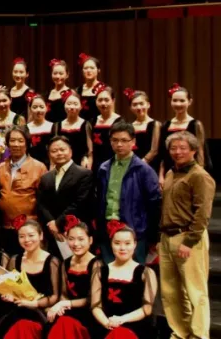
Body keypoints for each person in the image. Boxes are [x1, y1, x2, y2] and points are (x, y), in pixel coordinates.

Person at [158, 131, 214, 339]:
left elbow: (202, 214)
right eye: (173, 148)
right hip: (167, 237)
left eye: (183, 148)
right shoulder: (171, 173)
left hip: (188, 238)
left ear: (193, 150)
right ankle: (181, 333)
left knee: (195, 291)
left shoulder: (200, 176)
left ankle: (199, 335)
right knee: (170, 291)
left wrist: (189, 241)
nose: (178, 152)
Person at [97, 122, 160, 263]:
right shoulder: (104, 168)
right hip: (107, 230)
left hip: (134, 231)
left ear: (133, 142)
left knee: (134, 273)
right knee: (109, 271)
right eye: (115, 140)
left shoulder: (144, 170)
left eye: (124, 140)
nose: (119, 144)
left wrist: (153, 237)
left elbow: (154, 205)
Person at [0, 220, 62, 339]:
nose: (26, 240)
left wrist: (33, 304)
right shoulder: (15, 260)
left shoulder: (52, 262)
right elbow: (9, 288)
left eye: (31, 235)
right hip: (18, 310)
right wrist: (8, 296)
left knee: (24, 327)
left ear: (41, 236)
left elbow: (54, 296)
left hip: (40, 311)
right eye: (22, 236)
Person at [92, 224, 158, 339]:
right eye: (117, 243)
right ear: (111, 244)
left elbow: (147, 309)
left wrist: (122, 319)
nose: (122, 248)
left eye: (127, 243)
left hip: (134, 328)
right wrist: (107, 323)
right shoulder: (100, 271)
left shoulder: (146, 273)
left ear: (135, 244)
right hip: (107, 325)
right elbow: (96, 306)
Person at [38, 136, 94, 257]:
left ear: (70, 151)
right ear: (49, 154)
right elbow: (41, 203)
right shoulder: (46, 177)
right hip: (52, 233)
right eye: (54, 151)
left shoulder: (84, 174)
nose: (59, 153)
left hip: (76, 230)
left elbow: (80, 203)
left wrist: (58, 223)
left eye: (62, 149)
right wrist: (51, 223)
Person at [46, 219, 101, 339]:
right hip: (69, 311)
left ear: (90, 240)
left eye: (81, 239)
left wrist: (64, 303)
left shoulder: (97, 264)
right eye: (71, 239)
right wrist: (60, 306)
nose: (76, 244)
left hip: (90, 313)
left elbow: (92, 299)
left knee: (66, 323)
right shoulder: (65, 263)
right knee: (59, 321)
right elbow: (64, 294)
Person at [0, 125, 46, 254]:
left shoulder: (39, 167)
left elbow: (44, 202)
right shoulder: (0, 168)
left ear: (27, 143)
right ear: (7, 144)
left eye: (20, 140)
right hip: (5, 227)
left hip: (29, 228)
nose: (16, 144)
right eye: (12, 140)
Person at [158, 85, 211, 183]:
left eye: (182, 101)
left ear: (189, 101)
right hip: (170, 171)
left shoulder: (195, 124)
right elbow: (163, 153)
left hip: (190, 171)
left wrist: (199, 173)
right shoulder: (166, 125)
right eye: (175, 100)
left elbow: (200, 151)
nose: (178, 104)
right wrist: (161, 175)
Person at [54, 92, 94, 169]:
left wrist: (88, 167)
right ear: (64, 105)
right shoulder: (57, 125)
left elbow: (90, 151)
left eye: (75, 104)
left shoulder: (86, 124)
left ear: (81, 106)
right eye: (69, 104)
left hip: (81, 164)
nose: (72, 107)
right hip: (62, 163)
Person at [126, 90, 160, 171]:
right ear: (130, 107)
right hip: (131, 165)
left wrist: (141, 163)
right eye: (135, 105)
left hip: (150, 166)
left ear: (148, 105)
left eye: (141, 104)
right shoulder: (129, 126)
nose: (138, 107)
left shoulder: (155, 124)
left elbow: (154, 150)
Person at [26, 93, 54, 167]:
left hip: (49, 166)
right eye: (35, 107)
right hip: (30, 166)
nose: (38, 110)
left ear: (46, 108)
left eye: (41, 107)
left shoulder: (53, 127)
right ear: (30, 109)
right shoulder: (25, 128)